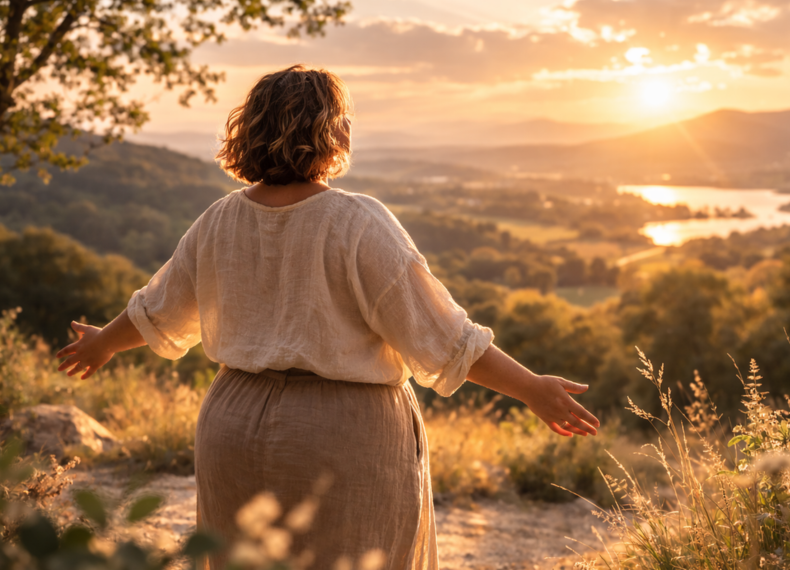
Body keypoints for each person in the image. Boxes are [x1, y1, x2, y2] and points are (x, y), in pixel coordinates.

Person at [56, 65, 600, 570]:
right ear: (331, 133)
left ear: (248, 130)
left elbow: (160, 307)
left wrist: (103, 342)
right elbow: (442, 336)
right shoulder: (356, 222)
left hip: (231, 424)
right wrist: (529, 386)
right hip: (340, 434)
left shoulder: (219, 218)